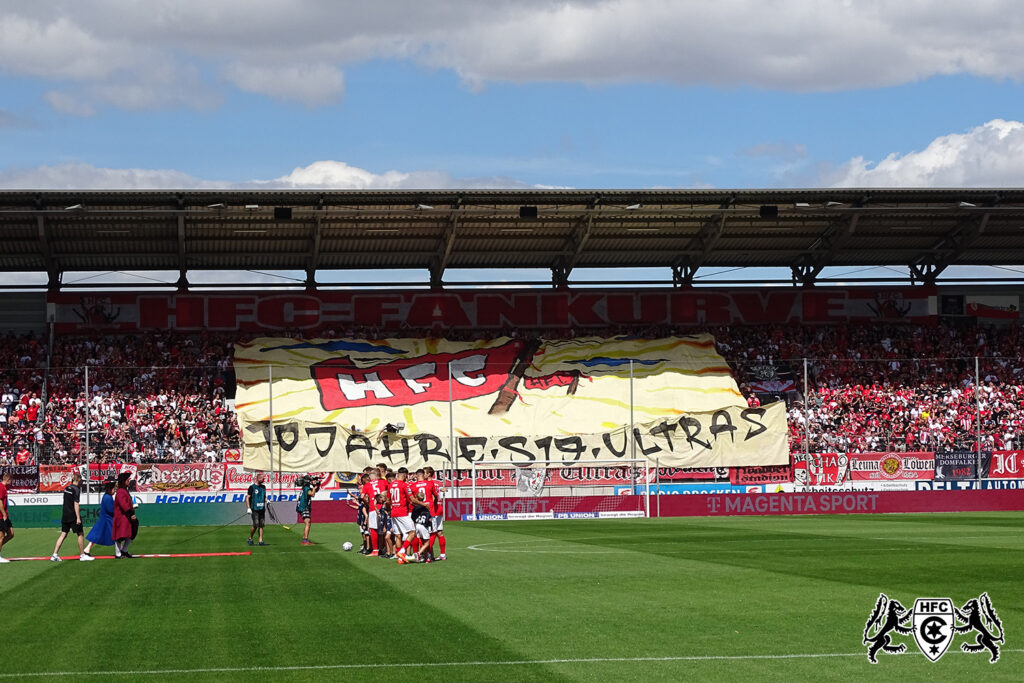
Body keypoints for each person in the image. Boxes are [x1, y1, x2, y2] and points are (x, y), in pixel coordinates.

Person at [51, 472, 92, 561]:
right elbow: (76, 504)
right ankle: (82, 555)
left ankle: (54, 554)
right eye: (81, 480)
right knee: (80, 534)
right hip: (72, 515)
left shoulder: (67, 488)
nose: (82, 482)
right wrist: (78, 517)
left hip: (65, 514)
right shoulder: (76, 489)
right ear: (78, 480)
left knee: (63, 535)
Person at [388, 467, 416, 564]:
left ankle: (400, 558)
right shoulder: (404, 485)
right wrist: (423, 504)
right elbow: (412, 499)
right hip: (402, 511)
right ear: (404, 475)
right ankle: (402, 551)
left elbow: (388, 500)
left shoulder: (391, 485)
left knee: (398, 535)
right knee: (412, 532)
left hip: (393, 512)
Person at [84, 479, 117, 558]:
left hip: (105, 519)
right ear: (109, 489)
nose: (114, 491)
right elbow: (111, 510)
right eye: (114, 489)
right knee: (115, 535)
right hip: (107, 520)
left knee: (97, 535)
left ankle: (87, 549)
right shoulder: (108, 497)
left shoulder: (106, 496)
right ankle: (120, 550)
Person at [359, 469, 388, 556]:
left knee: (373, 529)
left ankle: (375, 550)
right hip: (383, 507)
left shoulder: (367, 485)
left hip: (373, 508)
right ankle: (384, 548)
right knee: (384, 529)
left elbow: (362, 496)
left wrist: (368, 503)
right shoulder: (383, 482)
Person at [423, 466, 447, 561]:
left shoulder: (429, 483)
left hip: (434, 510)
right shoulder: (436, 483)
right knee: (439, 532)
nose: (423, 475)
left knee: (431, 532)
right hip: (440, 508)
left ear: (428, 474)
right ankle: (442, 554)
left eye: (424, 473)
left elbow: (433, 498)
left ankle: (428, 553)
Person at [113, 472, 137, 558]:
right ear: (123, 481)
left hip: (125, 516)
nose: (129, 481)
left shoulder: (124, 491)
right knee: (120, 536)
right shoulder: (121, 492)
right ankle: (118, 553)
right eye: (127, 480)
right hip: (122, 517)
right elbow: (124, 505)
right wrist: (131, 514)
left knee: (130, 534)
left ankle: (124, 550)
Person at [296, 474, 320, 545]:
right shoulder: (307, 488)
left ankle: (304, 539)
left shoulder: (305, 487)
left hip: (301, 507)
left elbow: (313, 491)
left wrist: (315, 487)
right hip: (304, 507)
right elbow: (312, 494)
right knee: (308, 523)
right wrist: (313, 487)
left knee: (307, 523)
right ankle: (305, 540)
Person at [246, 472, 267, 546]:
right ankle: (250, 538)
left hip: (262, 508)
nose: (264, 479)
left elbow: (264, 496)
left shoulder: (263, 487)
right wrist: (248, 508)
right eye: (262, 478)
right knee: (256, 524)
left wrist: (267, 500)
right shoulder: (252, 487)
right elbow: (247, 497)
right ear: (258, 479)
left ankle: (260, 540)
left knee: (261, 525)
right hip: (254, 509)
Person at [0, 471, 12, 563]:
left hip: (5, 515)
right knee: (1, 536)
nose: (11, 483)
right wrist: (4, 514)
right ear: (8, 479)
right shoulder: (1, 488)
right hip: (1, 516)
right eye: (11, 480)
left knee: (11, 534)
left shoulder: (4, 488)